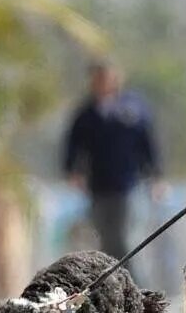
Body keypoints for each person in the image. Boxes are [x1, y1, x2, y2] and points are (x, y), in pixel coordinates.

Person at [62, 61, 163, 261]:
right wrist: (73, 171)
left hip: (128, 185)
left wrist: (156, 176)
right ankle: (113, 286)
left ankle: (135, 287)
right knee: (106, 239)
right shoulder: (86, 113)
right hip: (98, 186)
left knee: (126, 239)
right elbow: (73, 144)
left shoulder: (133, 109)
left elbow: (147, 144)